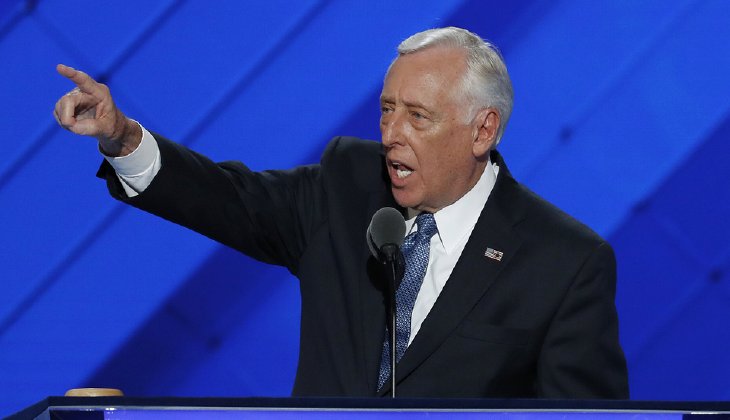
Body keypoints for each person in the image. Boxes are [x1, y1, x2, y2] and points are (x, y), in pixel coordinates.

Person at [54, 27, 629, 399]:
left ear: (483, 130)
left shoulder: (564, 262)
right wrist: (123, 138)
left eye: (418, 117)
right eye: (387, 109)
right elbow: (228, 198)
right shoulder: (349, 187)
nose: (392, 133)